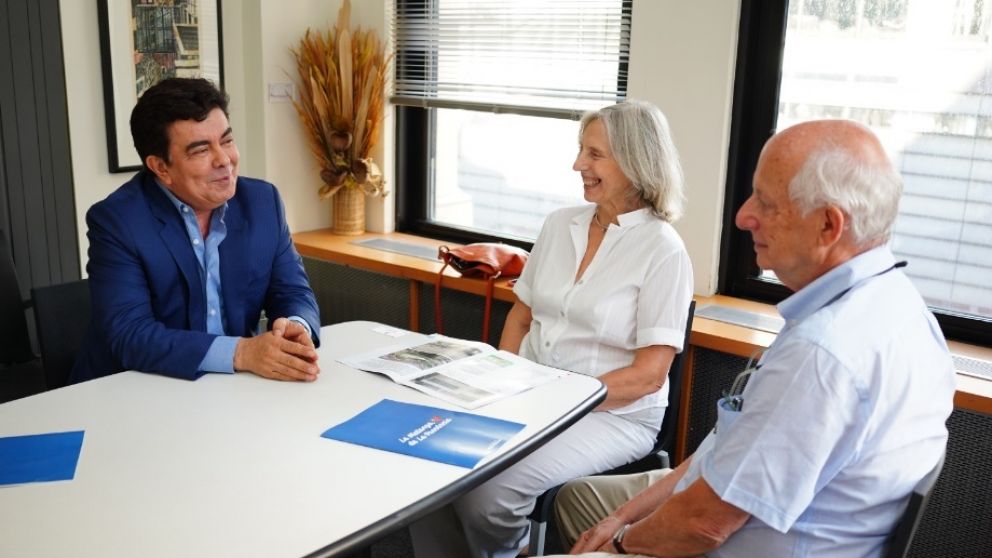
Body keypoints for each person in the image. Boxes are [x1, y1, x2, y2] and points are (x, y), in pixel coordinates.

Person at [548, 119, 956, 557]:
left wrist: (620, 544)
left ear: (828, 225)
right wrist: (623, 517)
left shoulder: (822, 353)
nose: (744, 216)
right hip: (745, 509)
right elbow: (728, 449)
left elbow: (704, 524)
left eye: (765, 201)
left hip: (734, 542)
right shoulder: (895, 303)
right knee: (579, 502)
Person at [410, 100, 694, 557]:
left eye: (594, 154)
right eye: (582, 150)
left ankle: (514, 550)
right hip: (531, 394)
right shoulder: (560, 224)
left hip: (614, 416)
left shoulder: (664, 250)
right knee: (430, 465)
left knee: (490, 494)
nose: (578, 164)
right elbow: (521, 315)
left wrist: (557, 399)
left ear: (635, 161)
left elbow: (648, 376)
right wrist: (500, 379)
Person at [70, 78, 321, 384]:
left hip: (233, 389)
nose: (224, 160)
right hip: (136, 388)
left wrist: (296, 326)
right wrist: (241, 353)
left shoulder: (262, 202)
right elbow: (130, 334)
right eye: (201, 150)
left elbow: (293, 291)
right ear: (161, 167)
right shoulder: (117, 221)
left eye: (226, 140)